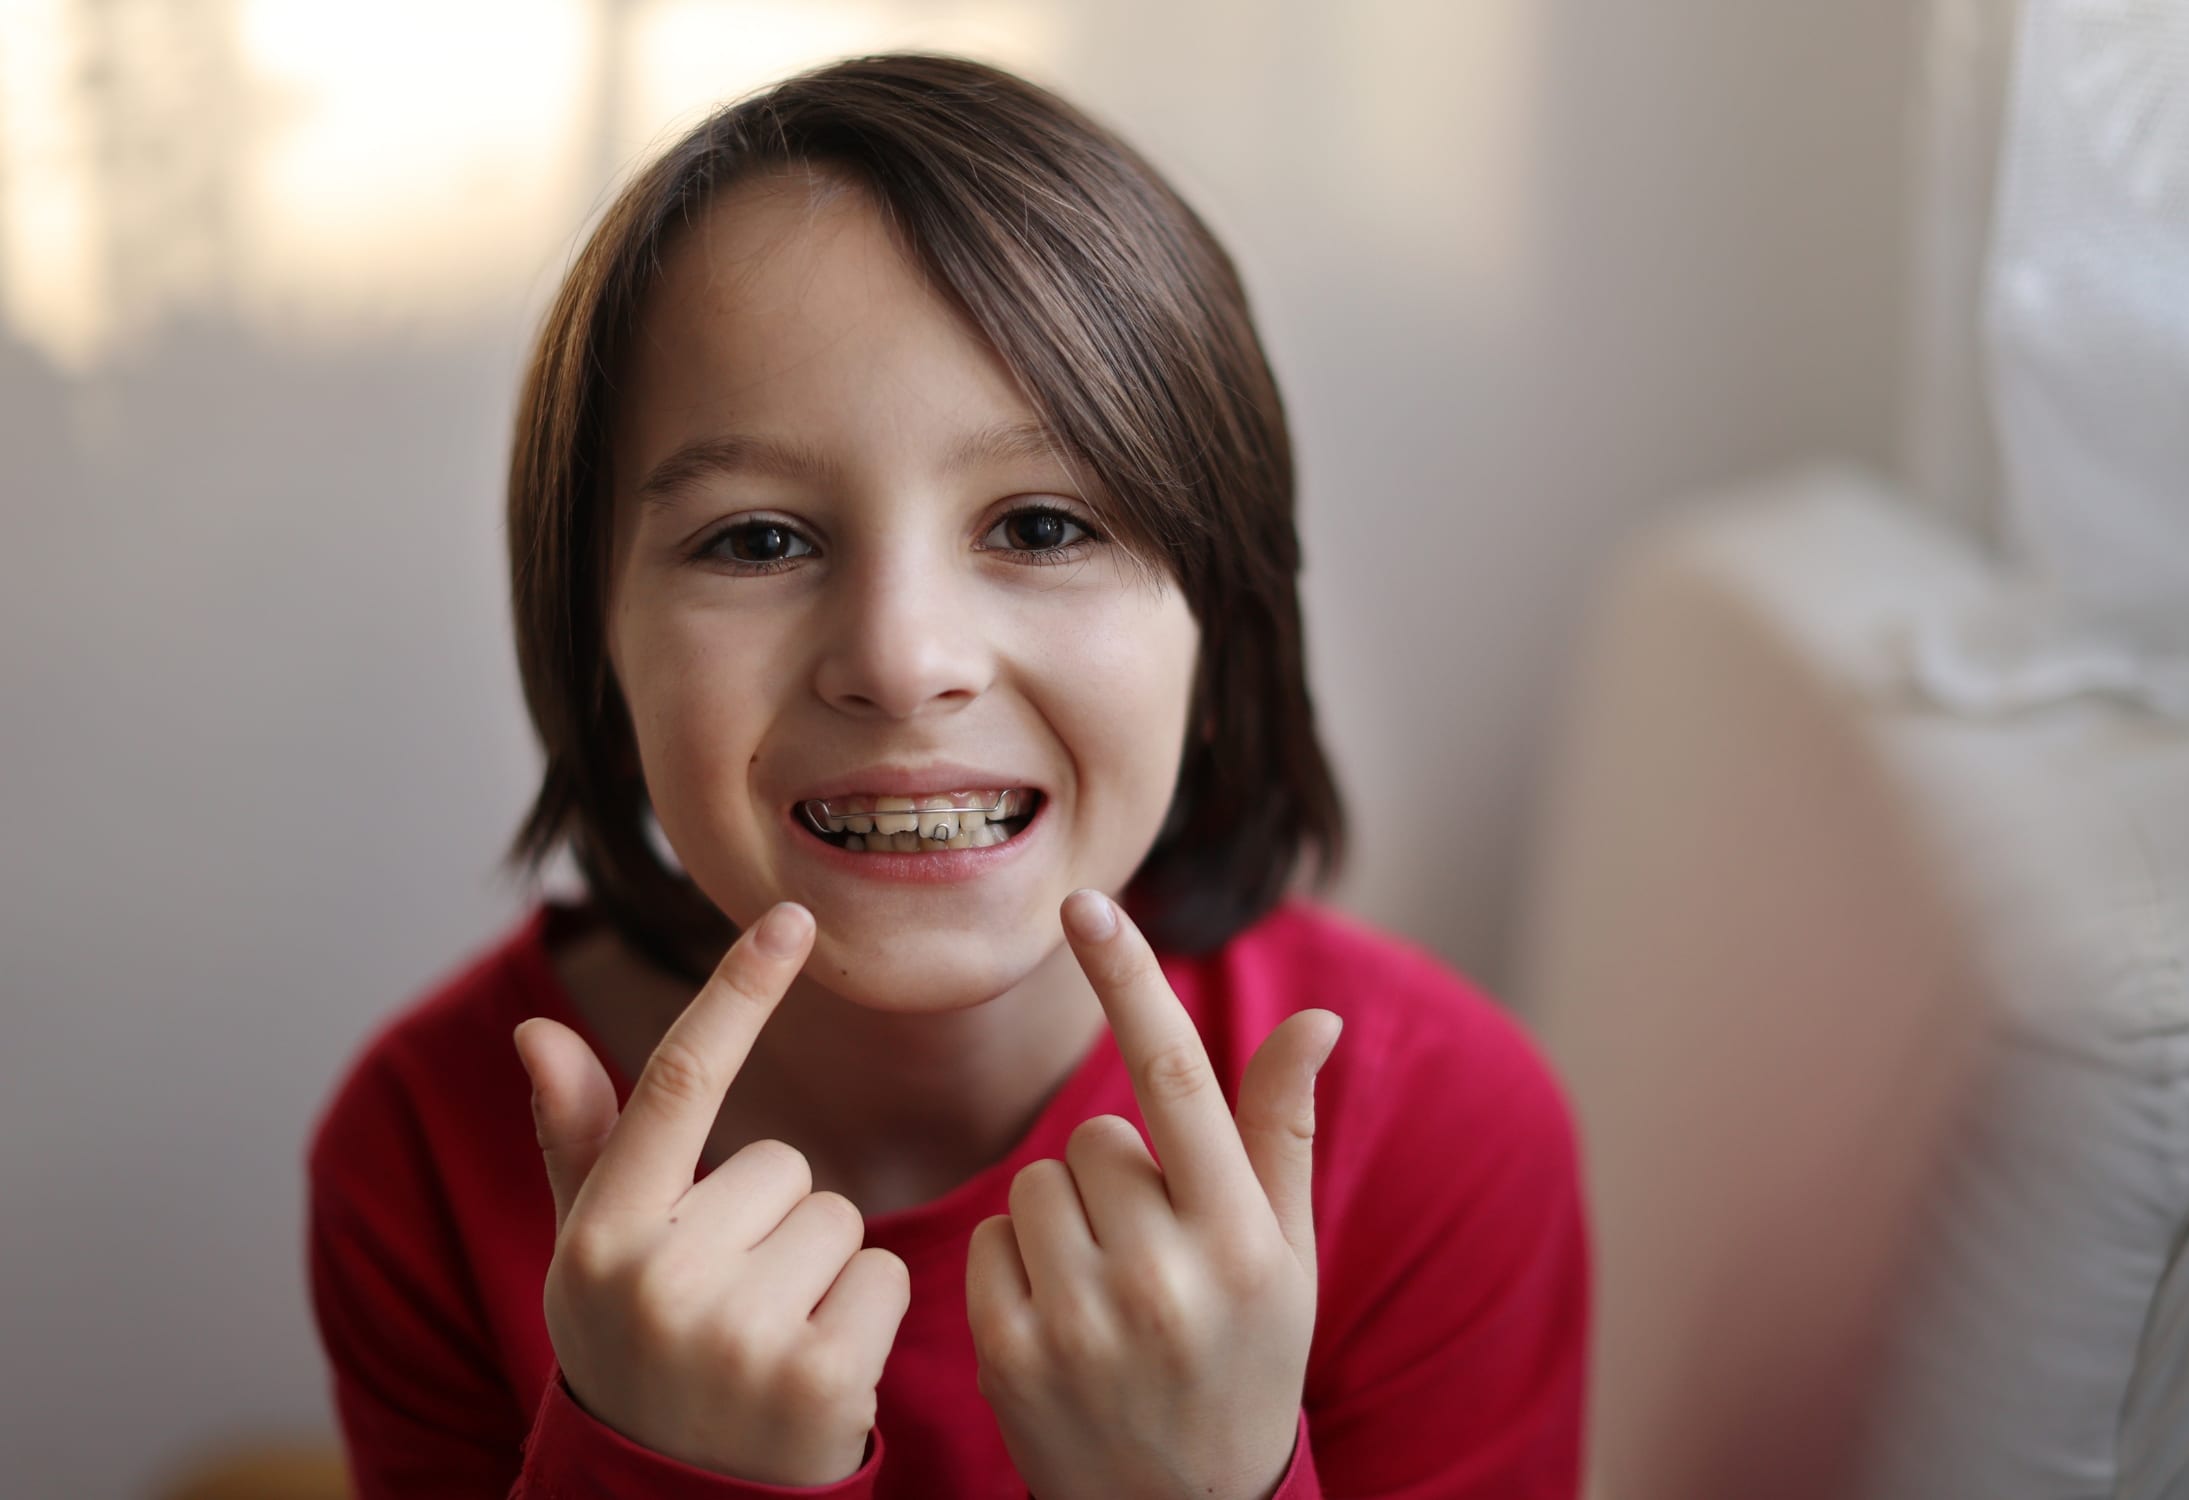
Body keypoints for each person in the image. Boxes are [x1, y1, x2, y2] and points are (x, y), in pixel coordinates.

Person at [305, 52, 1586, 1499]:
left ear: (1220, 633)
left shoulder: (1435, 1134)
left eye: (1041, 527)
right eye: (759, 541)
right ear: (597, 651)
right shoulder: (423, 1149)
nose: (904, 661)